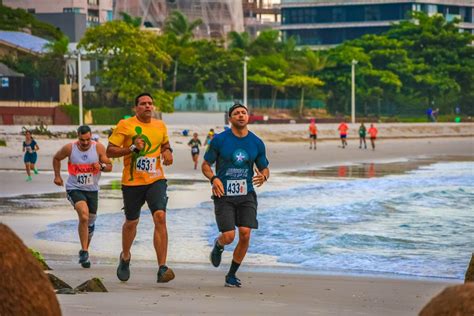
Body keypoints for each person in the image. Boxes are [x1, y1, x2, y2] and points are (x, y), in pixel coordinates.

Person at [106, 92, 175, 283]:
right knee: (131, 223)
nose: (147, 106)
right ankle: (126, 256)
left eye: (150, 103)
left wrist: (168, 151)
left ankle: (162, 268)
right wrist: (130, 149)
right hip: (132, 182)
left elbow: (165, 144)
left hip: (156, 179)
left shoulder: (160, 125)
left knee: (160, 217)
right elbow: (109, 151)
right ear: (136, 108)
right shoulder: (125, 125)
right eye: (143, 103)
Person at [202, 103, 270, 288]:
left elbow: (264, 167)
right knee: (229, 236)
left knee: (245, 234)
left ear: (248, 117)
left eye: (244, 113)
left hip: (246, 193)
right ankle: (218, 244)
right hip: (223, 194)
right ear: (230, 118)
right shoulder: (219, 140)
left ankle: (231, 275)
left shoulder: (256, 142)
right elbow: (205, 165)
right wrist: (214, 178)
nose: (241, 115)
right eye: (236, 113)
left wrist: (263, 175)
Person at [53, 125, 112, 268]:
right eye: (82, 140)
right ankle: (84, 250)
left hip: (92, 190)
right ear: (77, 136)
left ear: (91, 137)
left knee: (90, 223)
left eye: (87, 139)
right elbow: (56, 158)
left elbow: (109, 166)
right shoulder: (70, 148)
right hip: (75, 188)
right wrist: (57, 176)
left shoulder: (98, 148)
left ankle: (85, 255)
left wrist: (102, 167)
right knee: (84, 216)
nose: (85, 143)